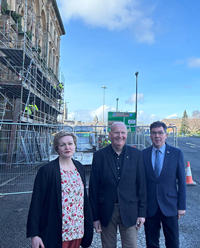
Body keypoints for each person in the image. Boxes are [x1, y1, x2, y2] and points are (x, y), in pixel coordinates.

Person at [27, 131, 93, 248]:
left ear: (75, 145)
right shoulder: (47, 170)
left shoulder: (79, 167)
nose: (67, 147)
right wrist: (34, 235)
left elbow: (83, 200)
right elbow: (37, 203)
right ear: (57, 148)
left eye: (70, 143)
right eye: (63, 145)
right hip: (56, 232)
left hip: (77, 230)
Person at [89, 122, 147, 248]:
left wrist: (142, 213)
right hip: (106, 211)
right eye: (116, 132)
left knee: (131, 245)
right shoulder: (99, 156)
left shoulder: (137, 155)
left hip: (130, 210)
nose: (119, 136)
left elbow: (141, 185)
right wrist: (95, 217)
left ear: (127, 134)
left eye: (123, 133)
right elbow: (93, 189)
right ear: (110, 135)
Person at [142, 121, 186, 248]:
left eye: (160, 133)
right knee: (151, 242)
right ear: (150, 136)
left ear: (166, 135)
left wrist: (181, 206)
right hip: (150, 207)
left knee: (172, 242)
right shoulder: (143, 154)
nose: (157, 136)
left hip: (170, 205)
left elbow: (182, 182)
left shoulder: (176, 153)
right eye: (154, 133)